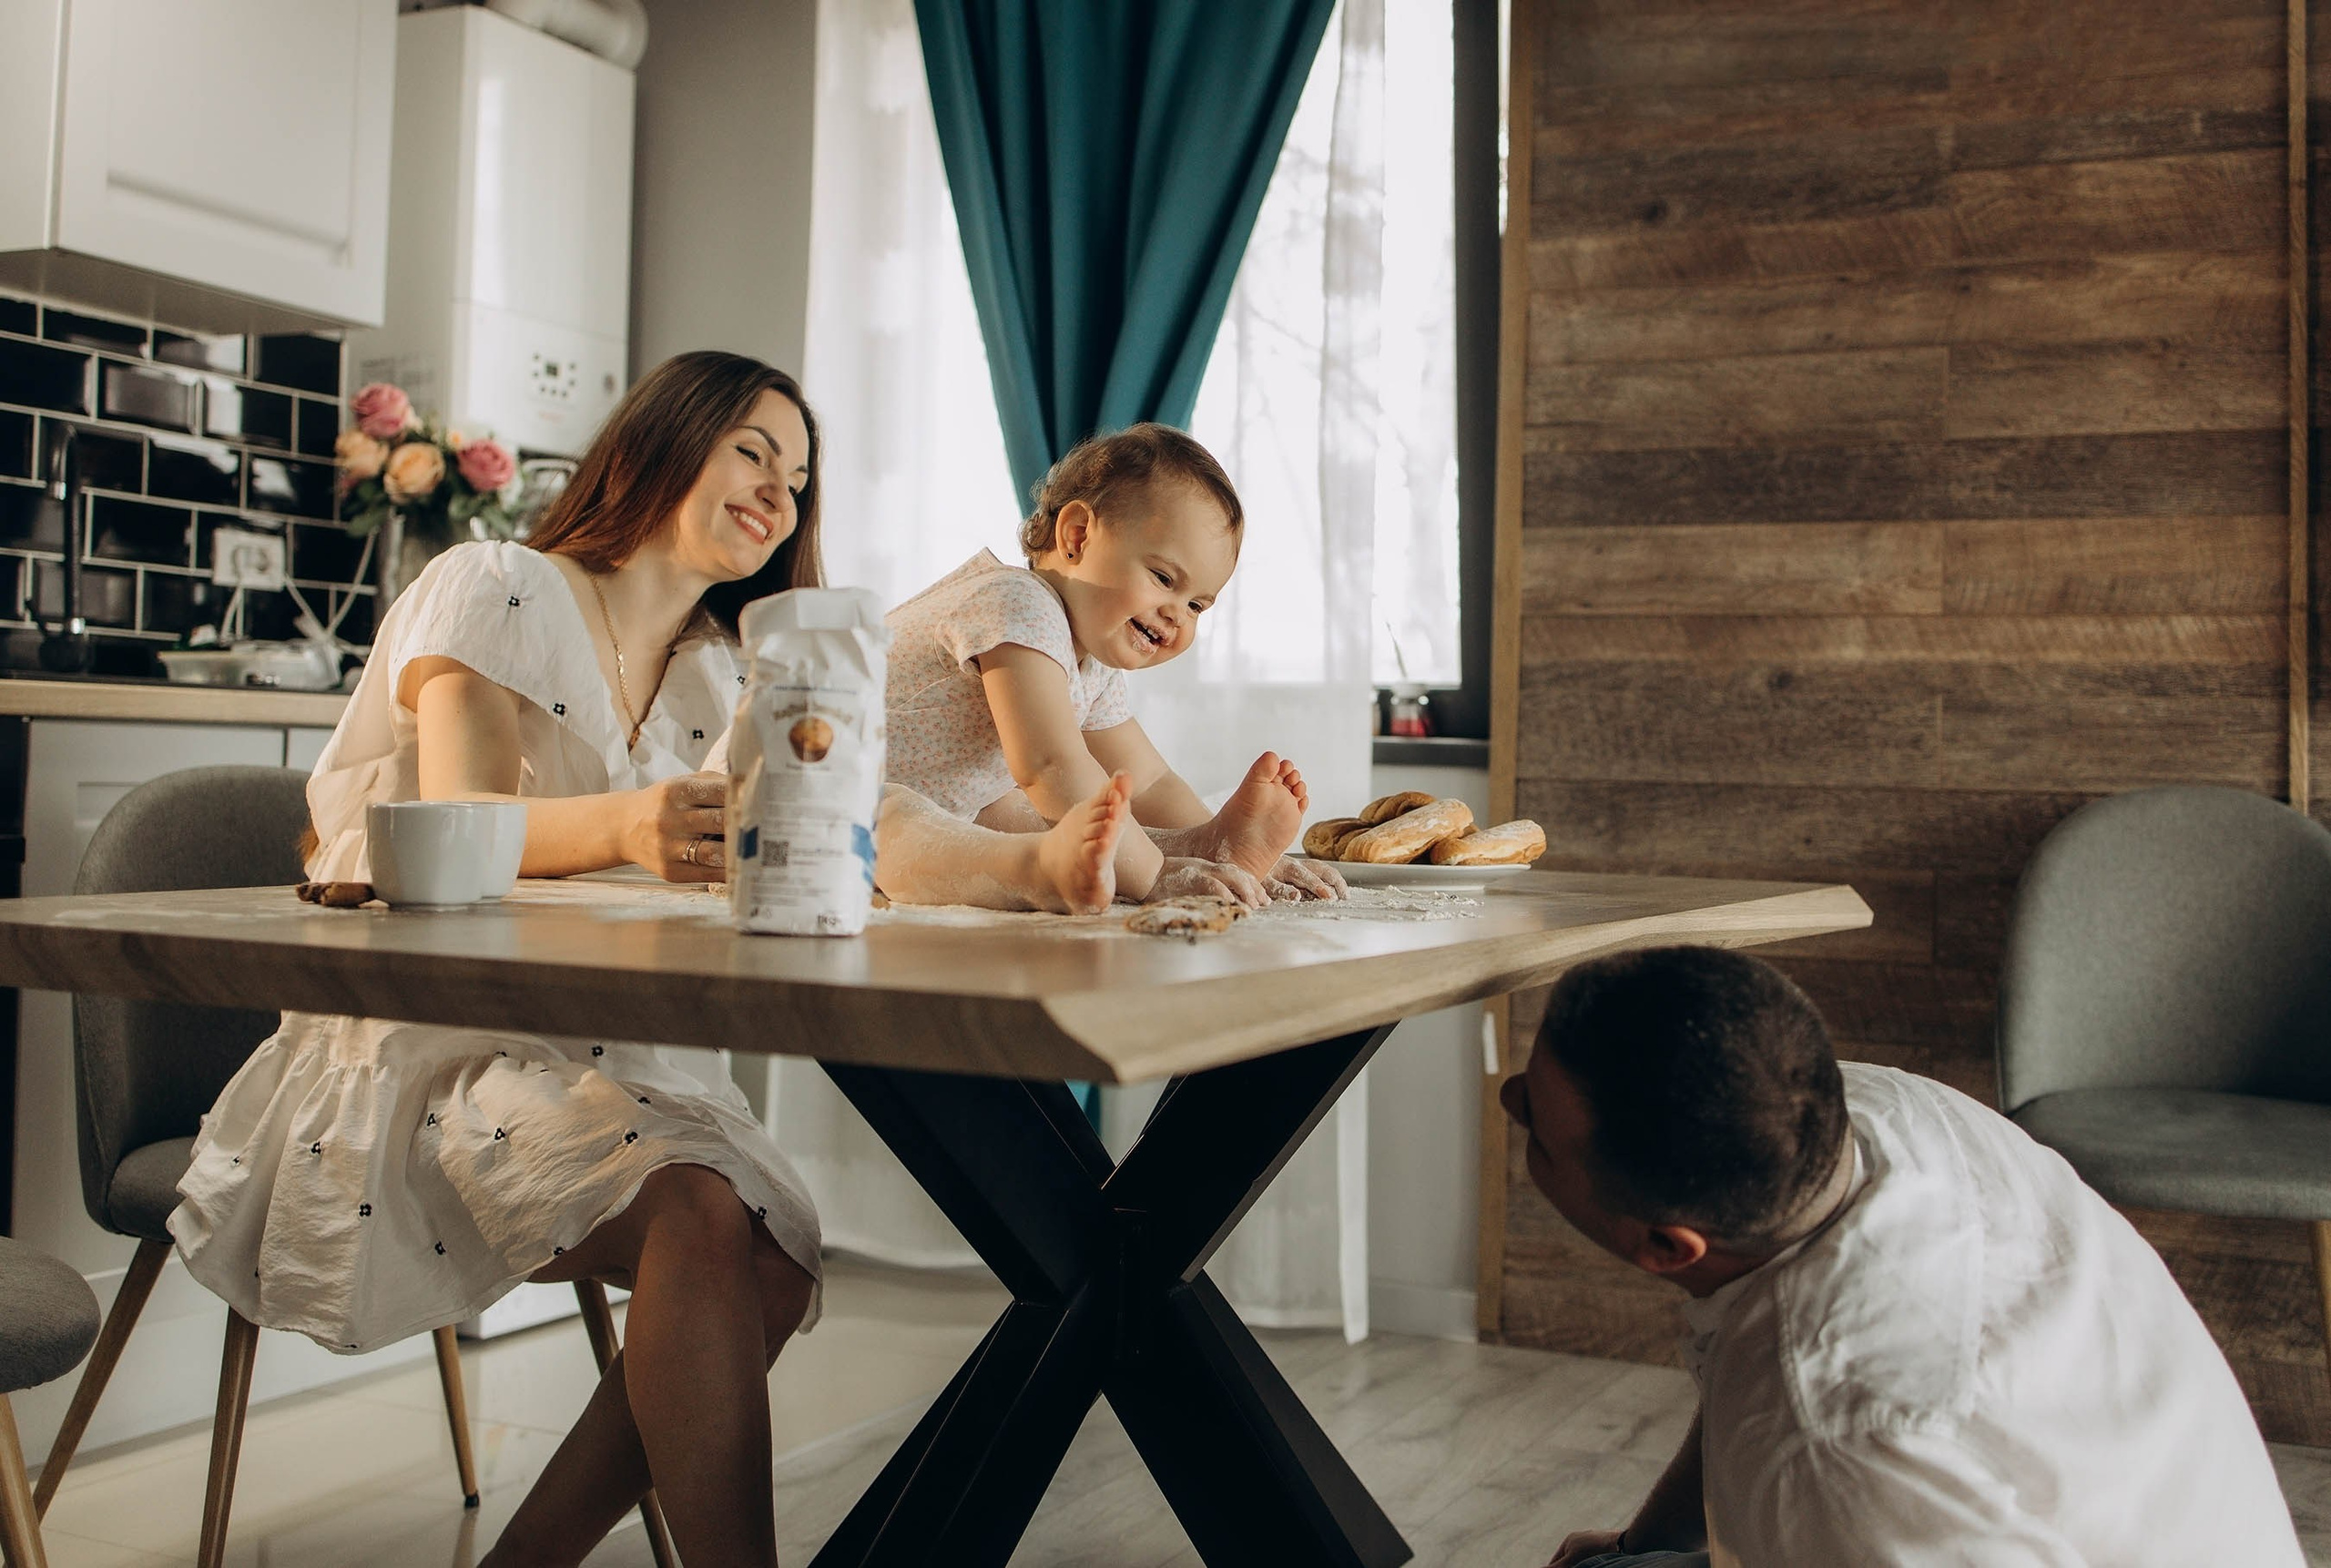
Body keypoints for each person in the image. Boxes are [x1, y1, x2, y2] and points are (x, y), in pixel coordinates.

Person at [169, 351, 1124, 1568]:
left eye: (801, 475)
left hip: (609, 1058)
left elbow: (851, 824)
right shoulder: (495, 585)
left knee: (770, 1258)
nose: (781, 490)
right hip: (428, 1046)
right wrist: (627, 824)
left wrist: (1029, 866)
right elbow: (458, 828)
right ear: (663, 441)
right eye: (754, 451)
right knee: (705, 1218)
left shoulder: (726, 674)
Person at [1502, 945, 2305, 1568]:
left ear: (1666, 1246)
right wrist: (1641, 1546)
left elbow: (1807, 1414)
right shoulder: (1875, 1110)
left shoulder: (1844, 1447)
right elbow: (1741, 1360)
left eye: (1536, 1126)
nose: (1508, 1099)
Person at [880, 422, 1345, 911]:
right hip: (831, 804)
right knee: (910, 817)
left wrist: (1217, 849)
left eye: (1197, 607)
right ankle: (1039, 872)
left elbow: (1148, 783)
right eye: (1164, 578)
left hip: (944, 806)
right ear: (1077, 536)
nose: (1177, 616)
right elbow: (1049, 764)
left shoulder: (1090, 665)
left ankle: (1192, 846)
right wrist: (1156, 876)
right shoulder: (1016, 601)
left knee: (1023, 813)